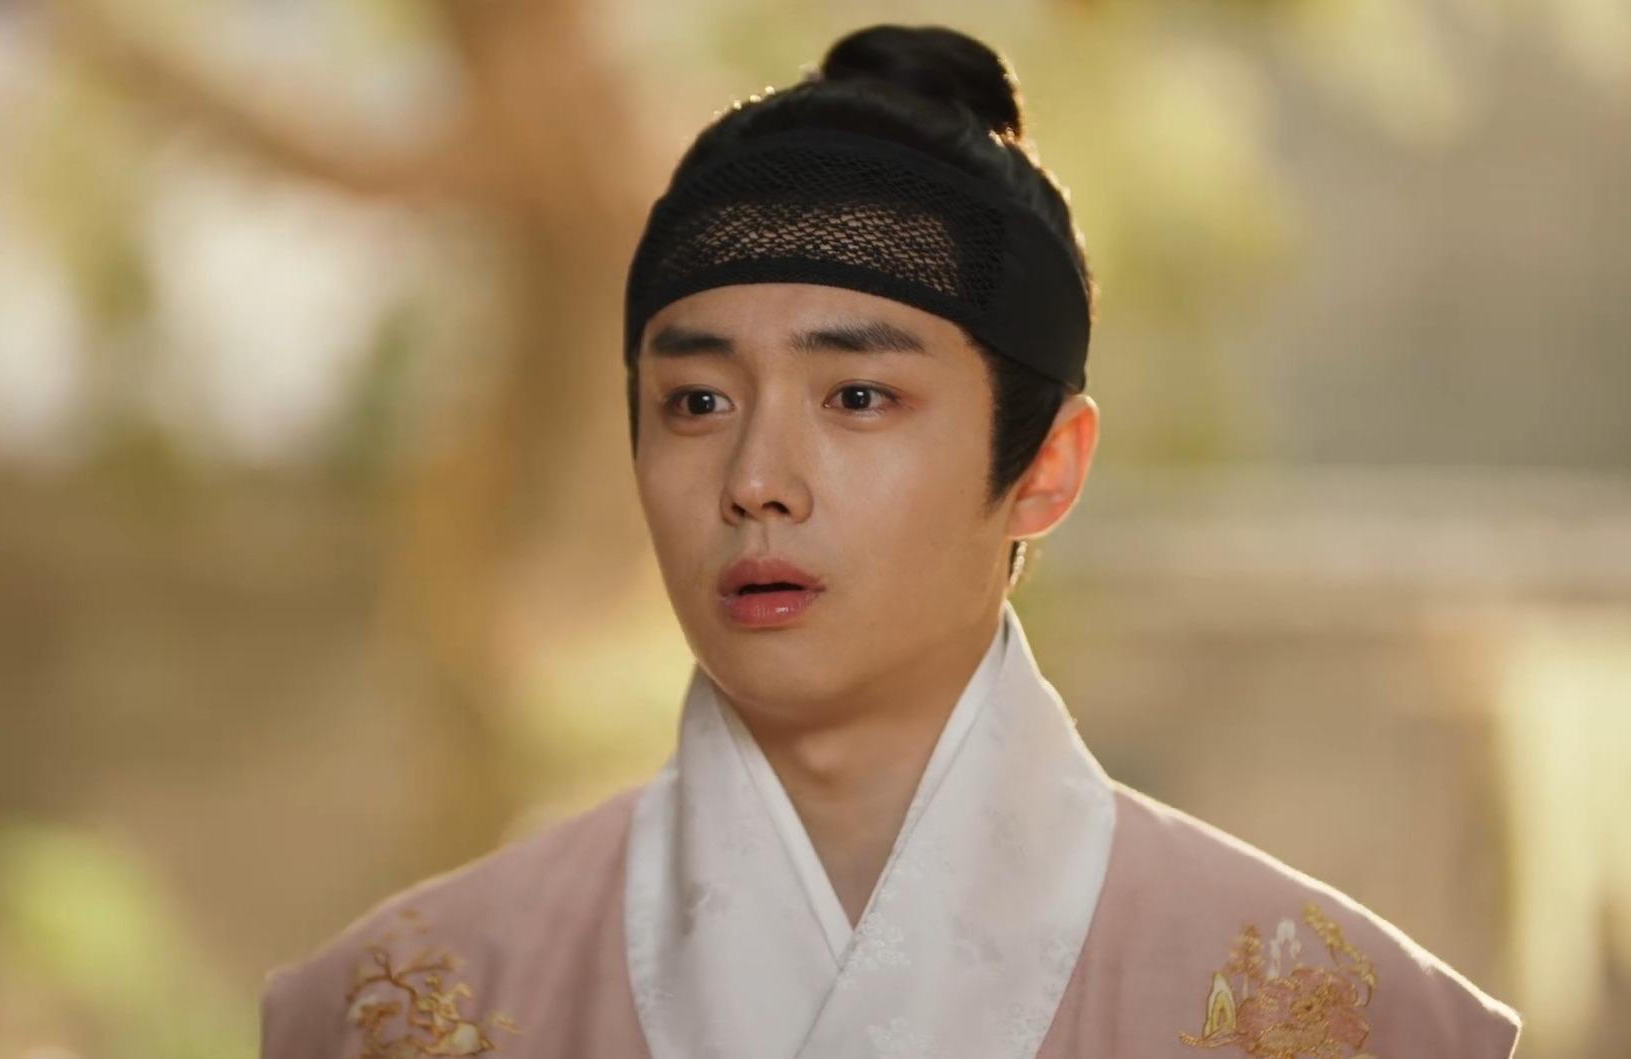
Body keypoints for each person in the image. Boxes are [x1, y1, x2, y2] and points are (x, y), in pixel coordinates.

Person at [260, 23, 1522, 1059]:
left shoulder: (1332, 1020)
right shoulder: (401, 1008)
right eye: (696, 402)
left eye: (858, 397)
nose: (756, 482)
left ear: (1044, 468)